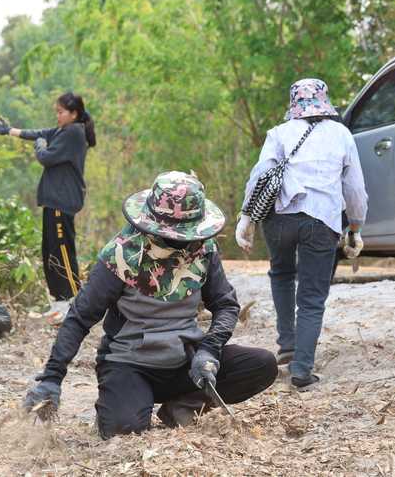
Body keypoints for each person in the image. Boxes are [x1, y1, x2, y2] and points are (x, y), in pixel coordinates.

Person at [22, 172, 278, 439]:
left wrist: (209, 350)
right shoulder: (120, 255)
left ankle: (181, 408)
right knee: (125, 431)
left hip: (187, 362)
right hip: (129, 364)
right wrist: (52, 377)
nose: (182, 241)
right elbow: (80, 317)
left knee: (261, 363)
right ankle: (117, 405)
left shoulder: (204, 249)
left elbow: (225, 305)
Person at [235, 78, 368, 392]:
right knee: (311, 296)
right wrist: (355, 228)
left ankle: (288, 345)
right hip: (322, 221)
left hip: (278, 220)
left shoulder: (279, 133)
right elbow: (355, 190)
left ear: (293, 103)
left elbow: (260, 176)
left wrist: (246, 217)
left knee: (281, 273)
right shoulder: (342, 134)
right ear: (325, 102)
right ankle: (302, 372)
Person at [0, 92, 96, 304]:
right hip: (52, 201)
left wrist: (40, 144)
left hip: (62, 200)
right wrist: (9, 130)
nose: (57, 115)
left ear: (74, 114)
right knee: (50, 253)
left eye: (60, 112)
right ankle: (59, 301)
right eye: (56, 111)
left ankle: (74, 302)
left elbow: (46, 156)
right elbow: (37, 132)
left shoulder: (74, 131)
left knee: (63, 252)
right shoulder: (63, 129)